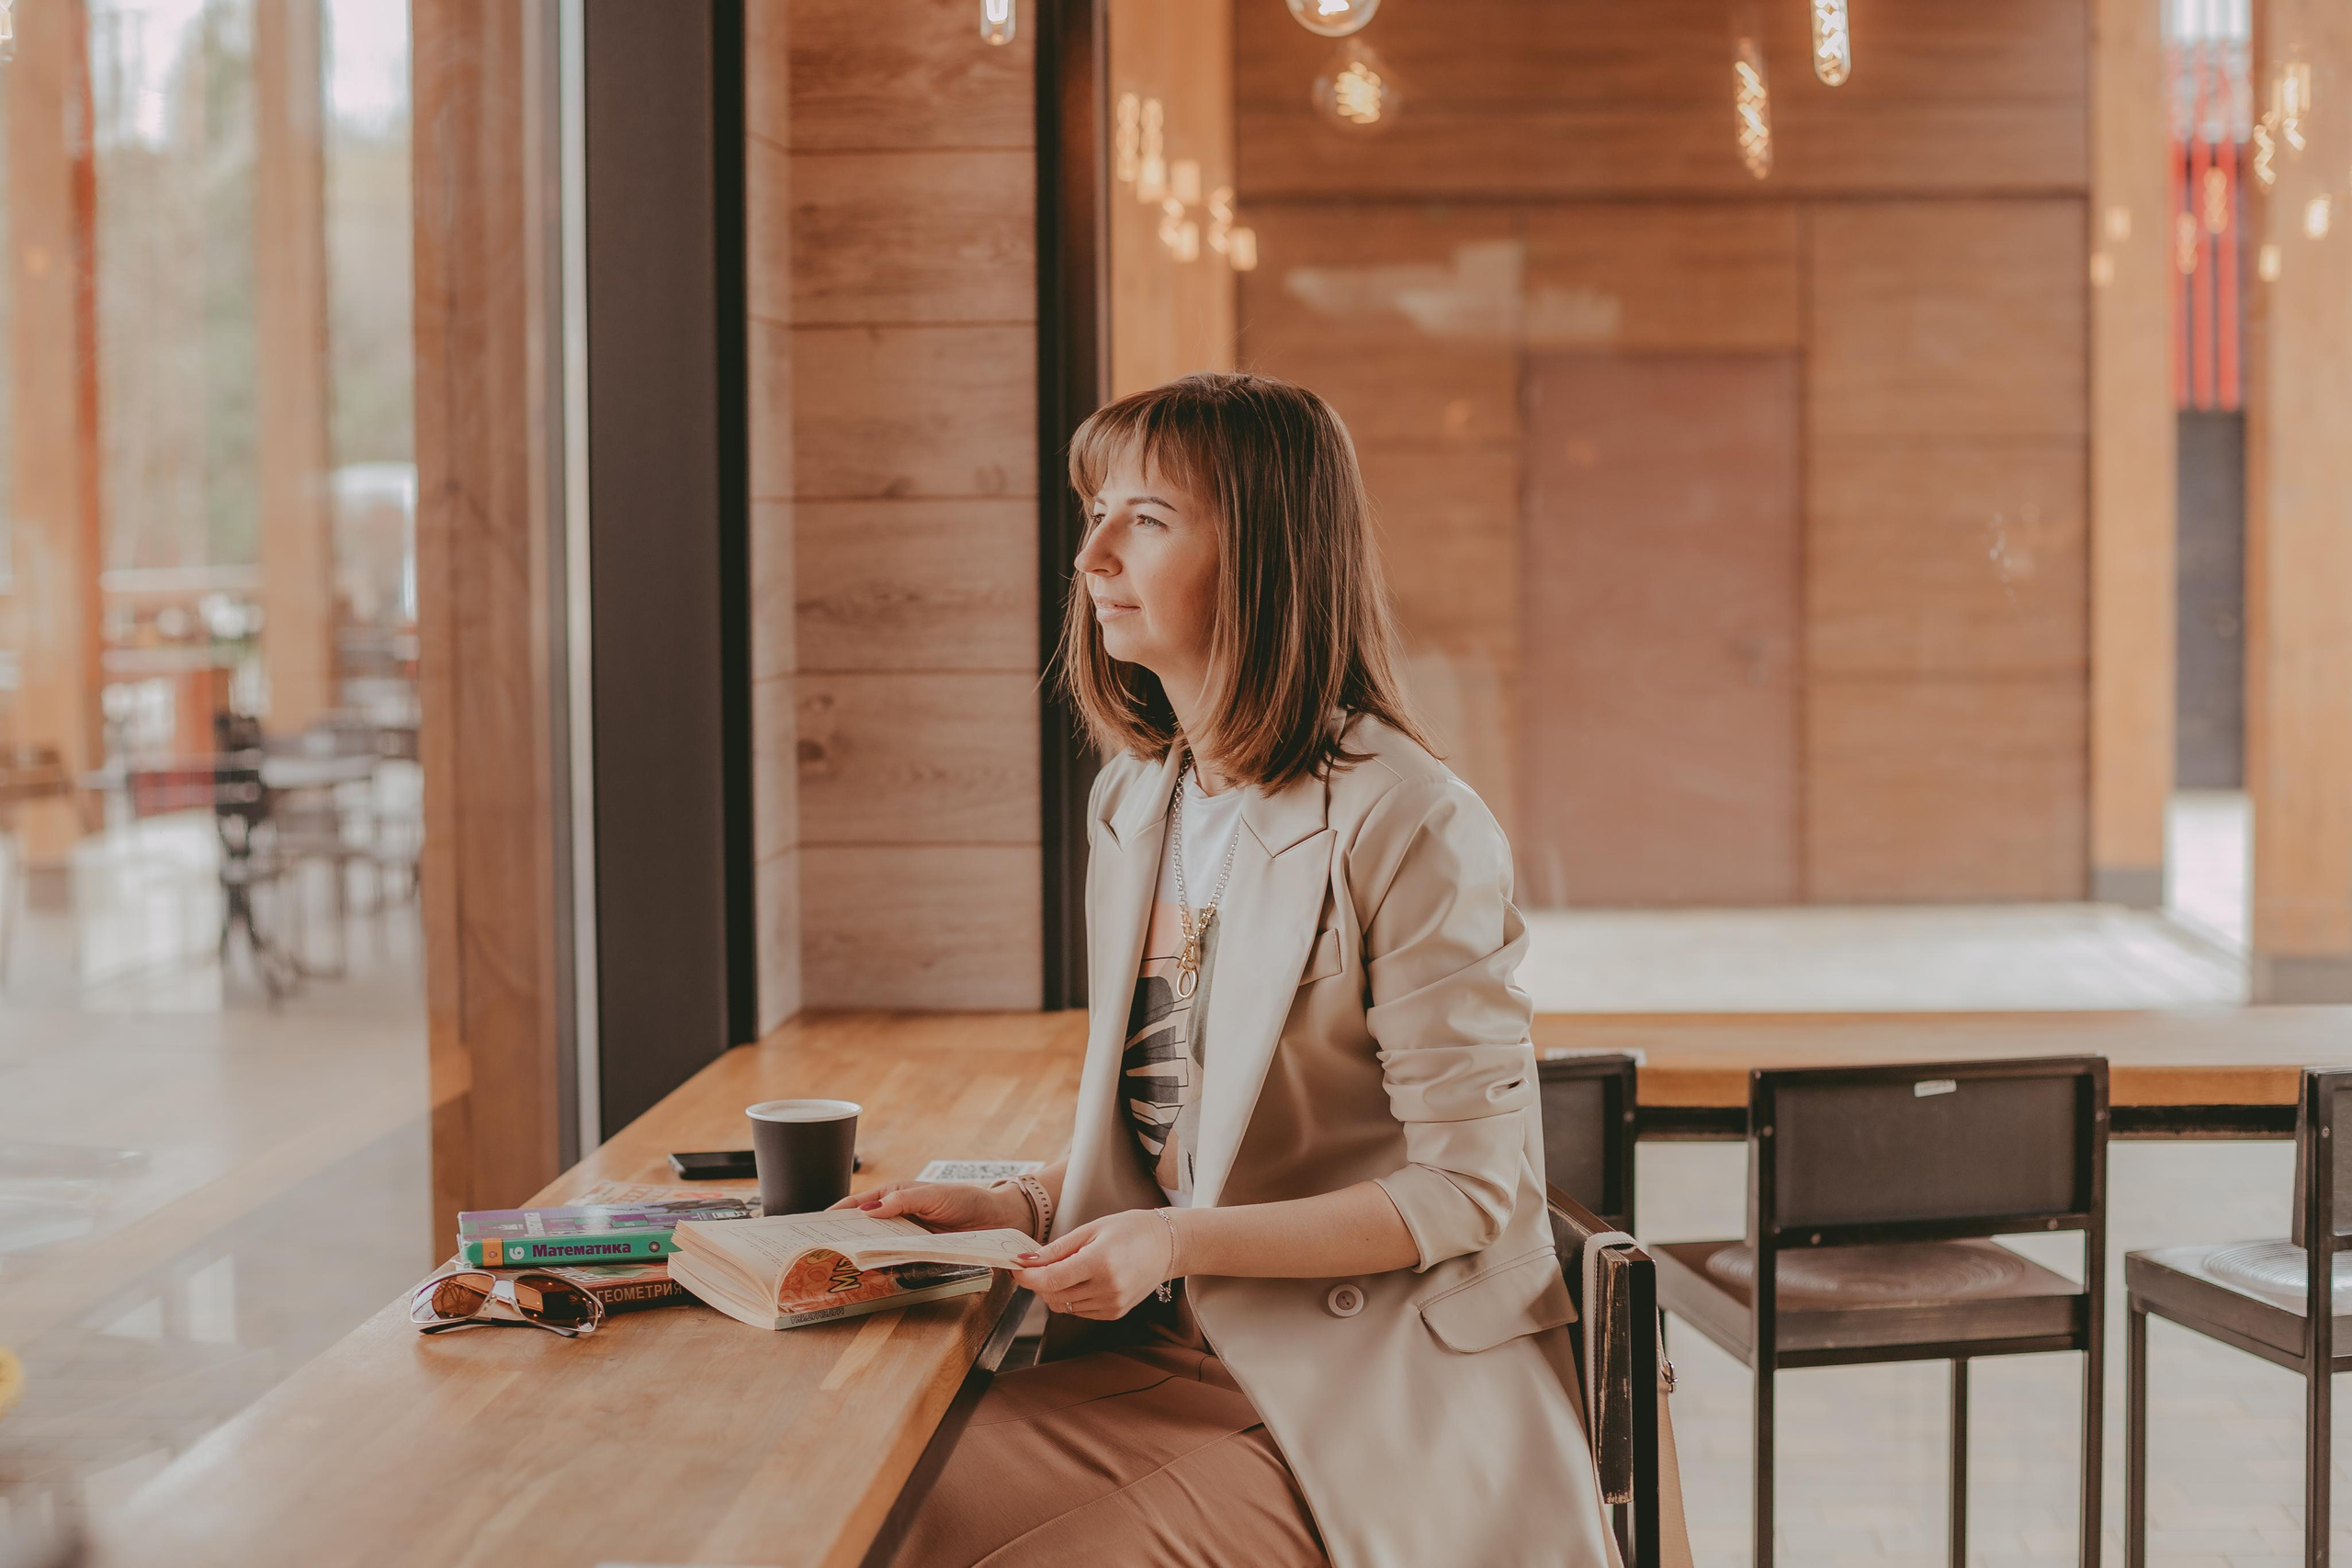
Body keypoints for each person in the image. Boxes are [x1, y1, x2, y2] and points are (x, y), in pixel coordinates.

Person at [839, 372, 1618, 1568]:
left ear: (1264, 556)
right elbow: (1199, 1131)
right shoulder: (1136, 802)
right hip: (1160, 1356)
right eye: (1095, 511)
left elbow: (1472, 1195)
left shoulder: (1410, 821)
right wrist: (1019, 1207)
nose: (1093, 556)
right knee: (855, 1514)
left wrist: (1176, 1247)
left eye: (1145, 520)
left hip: (1353, 1388)